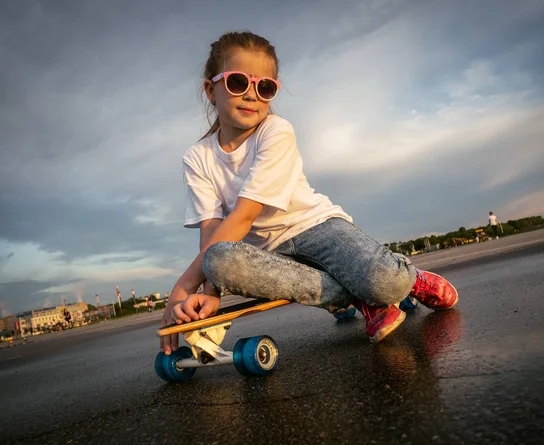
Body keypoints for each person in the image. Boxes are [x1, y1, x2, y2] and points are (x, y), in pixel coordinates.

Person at [160, 31, 459, 354]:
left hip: (316, 227)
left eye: (264, 87)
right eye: (237, 83)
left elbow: (244, 214)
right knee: (218, 259)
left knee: (388, 283)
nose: (251, 95)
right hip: (270, 253)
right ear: (210, 90)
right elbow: (211, 232)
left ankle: (409, 279)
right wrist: (210, 293)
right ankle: (360, 295)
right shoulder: (197, 157)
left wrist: (182, 286)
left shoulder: (276, 132)